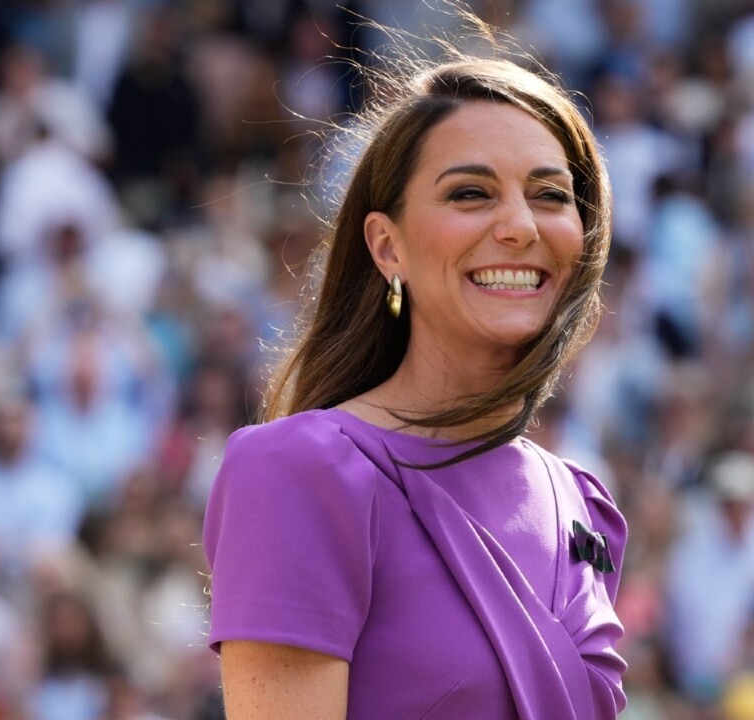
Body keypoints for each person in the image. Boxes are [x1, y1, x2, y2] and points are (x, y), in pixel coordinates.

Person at [200, 41, 627, 719]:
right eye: (470, 193)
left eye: (550, 195)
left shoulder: (584, 502)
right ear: (386, 245)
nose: (519, 226)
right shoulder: (299, 472)